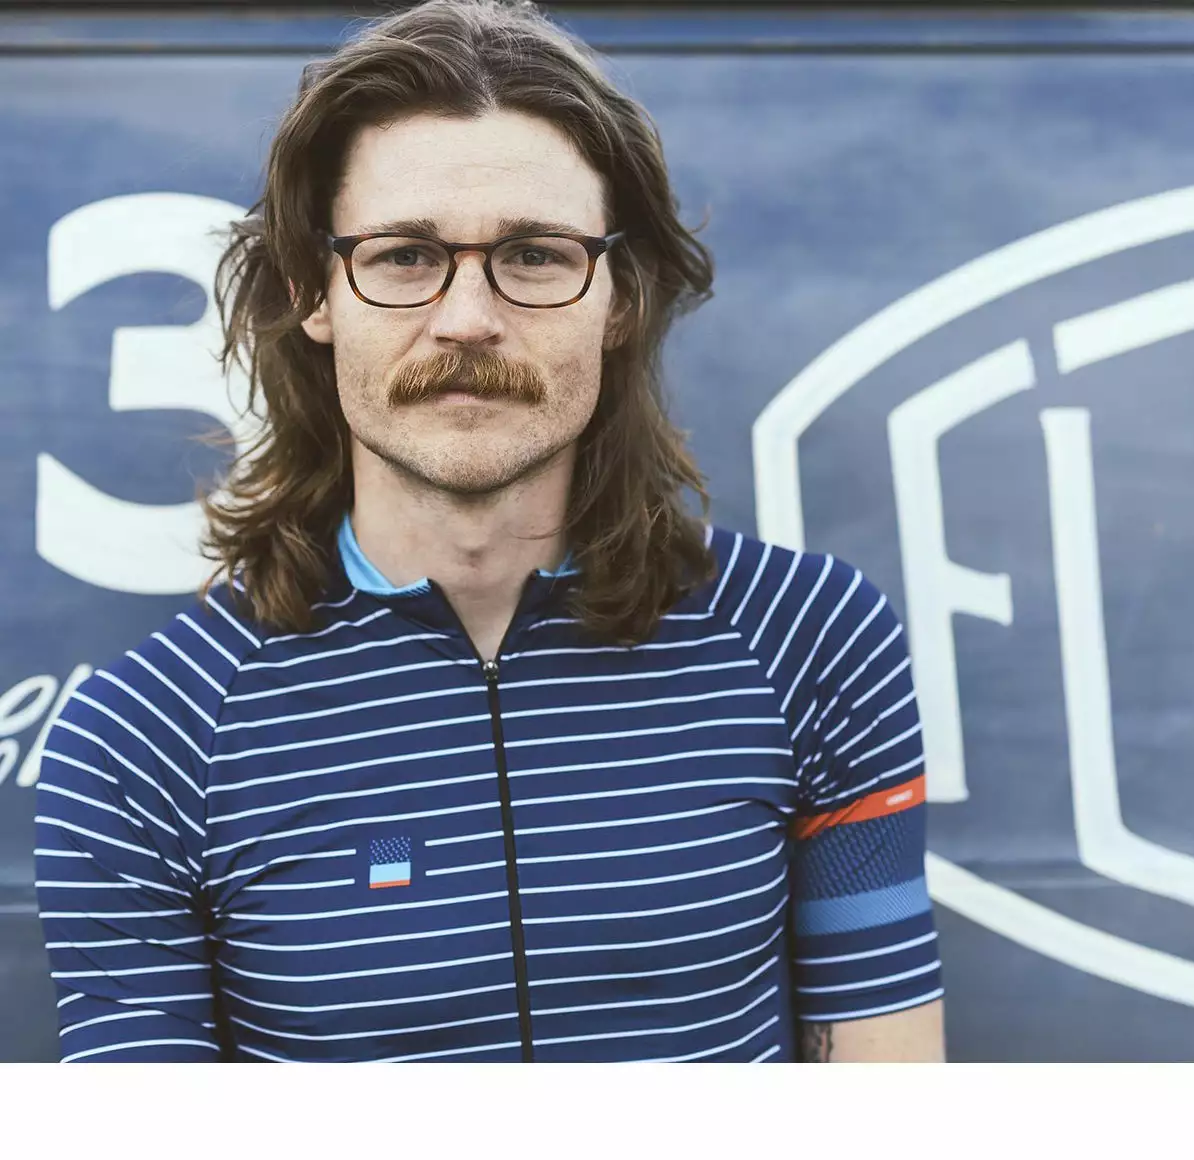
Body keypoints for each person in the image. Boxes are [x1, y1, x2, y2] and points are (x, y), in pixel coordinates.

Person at [33, 0, 943, 1062]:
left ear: (618, 296)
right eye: (405, 256)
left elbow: (888, 1108)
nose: (467, 319)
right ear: (313, 292)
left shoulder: (810, 640)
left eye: (536, 254)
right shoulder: (144, 738)